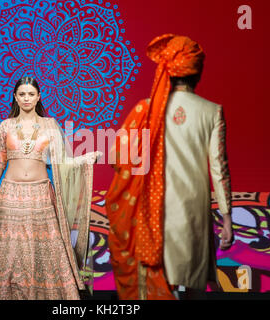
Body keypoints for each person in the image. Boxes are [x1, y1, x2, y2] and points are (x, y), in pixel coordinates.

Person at [105, 34, 233, 300]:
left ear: (167, 69)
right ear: (197, 72)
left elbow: (120, 156)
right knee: (192, 284)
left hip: (153, 211)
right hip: (193, 210)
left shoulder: (146, 110)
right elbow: (219, 168)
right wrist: (227, 217)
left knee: (160, 281)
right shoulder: (212, 111)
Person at [0, 76, 101, 300]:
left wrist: (84, 159)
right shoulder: (5, 126)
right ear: (15, 97)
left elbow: (61, 162)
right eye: (22, 94)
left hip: (41, 196)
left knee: (45, 252)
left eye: (31, 94)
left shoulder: (50, 125)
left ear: (38, 97)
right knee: (9, 254)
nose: (26, 98)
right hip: (10, 197)